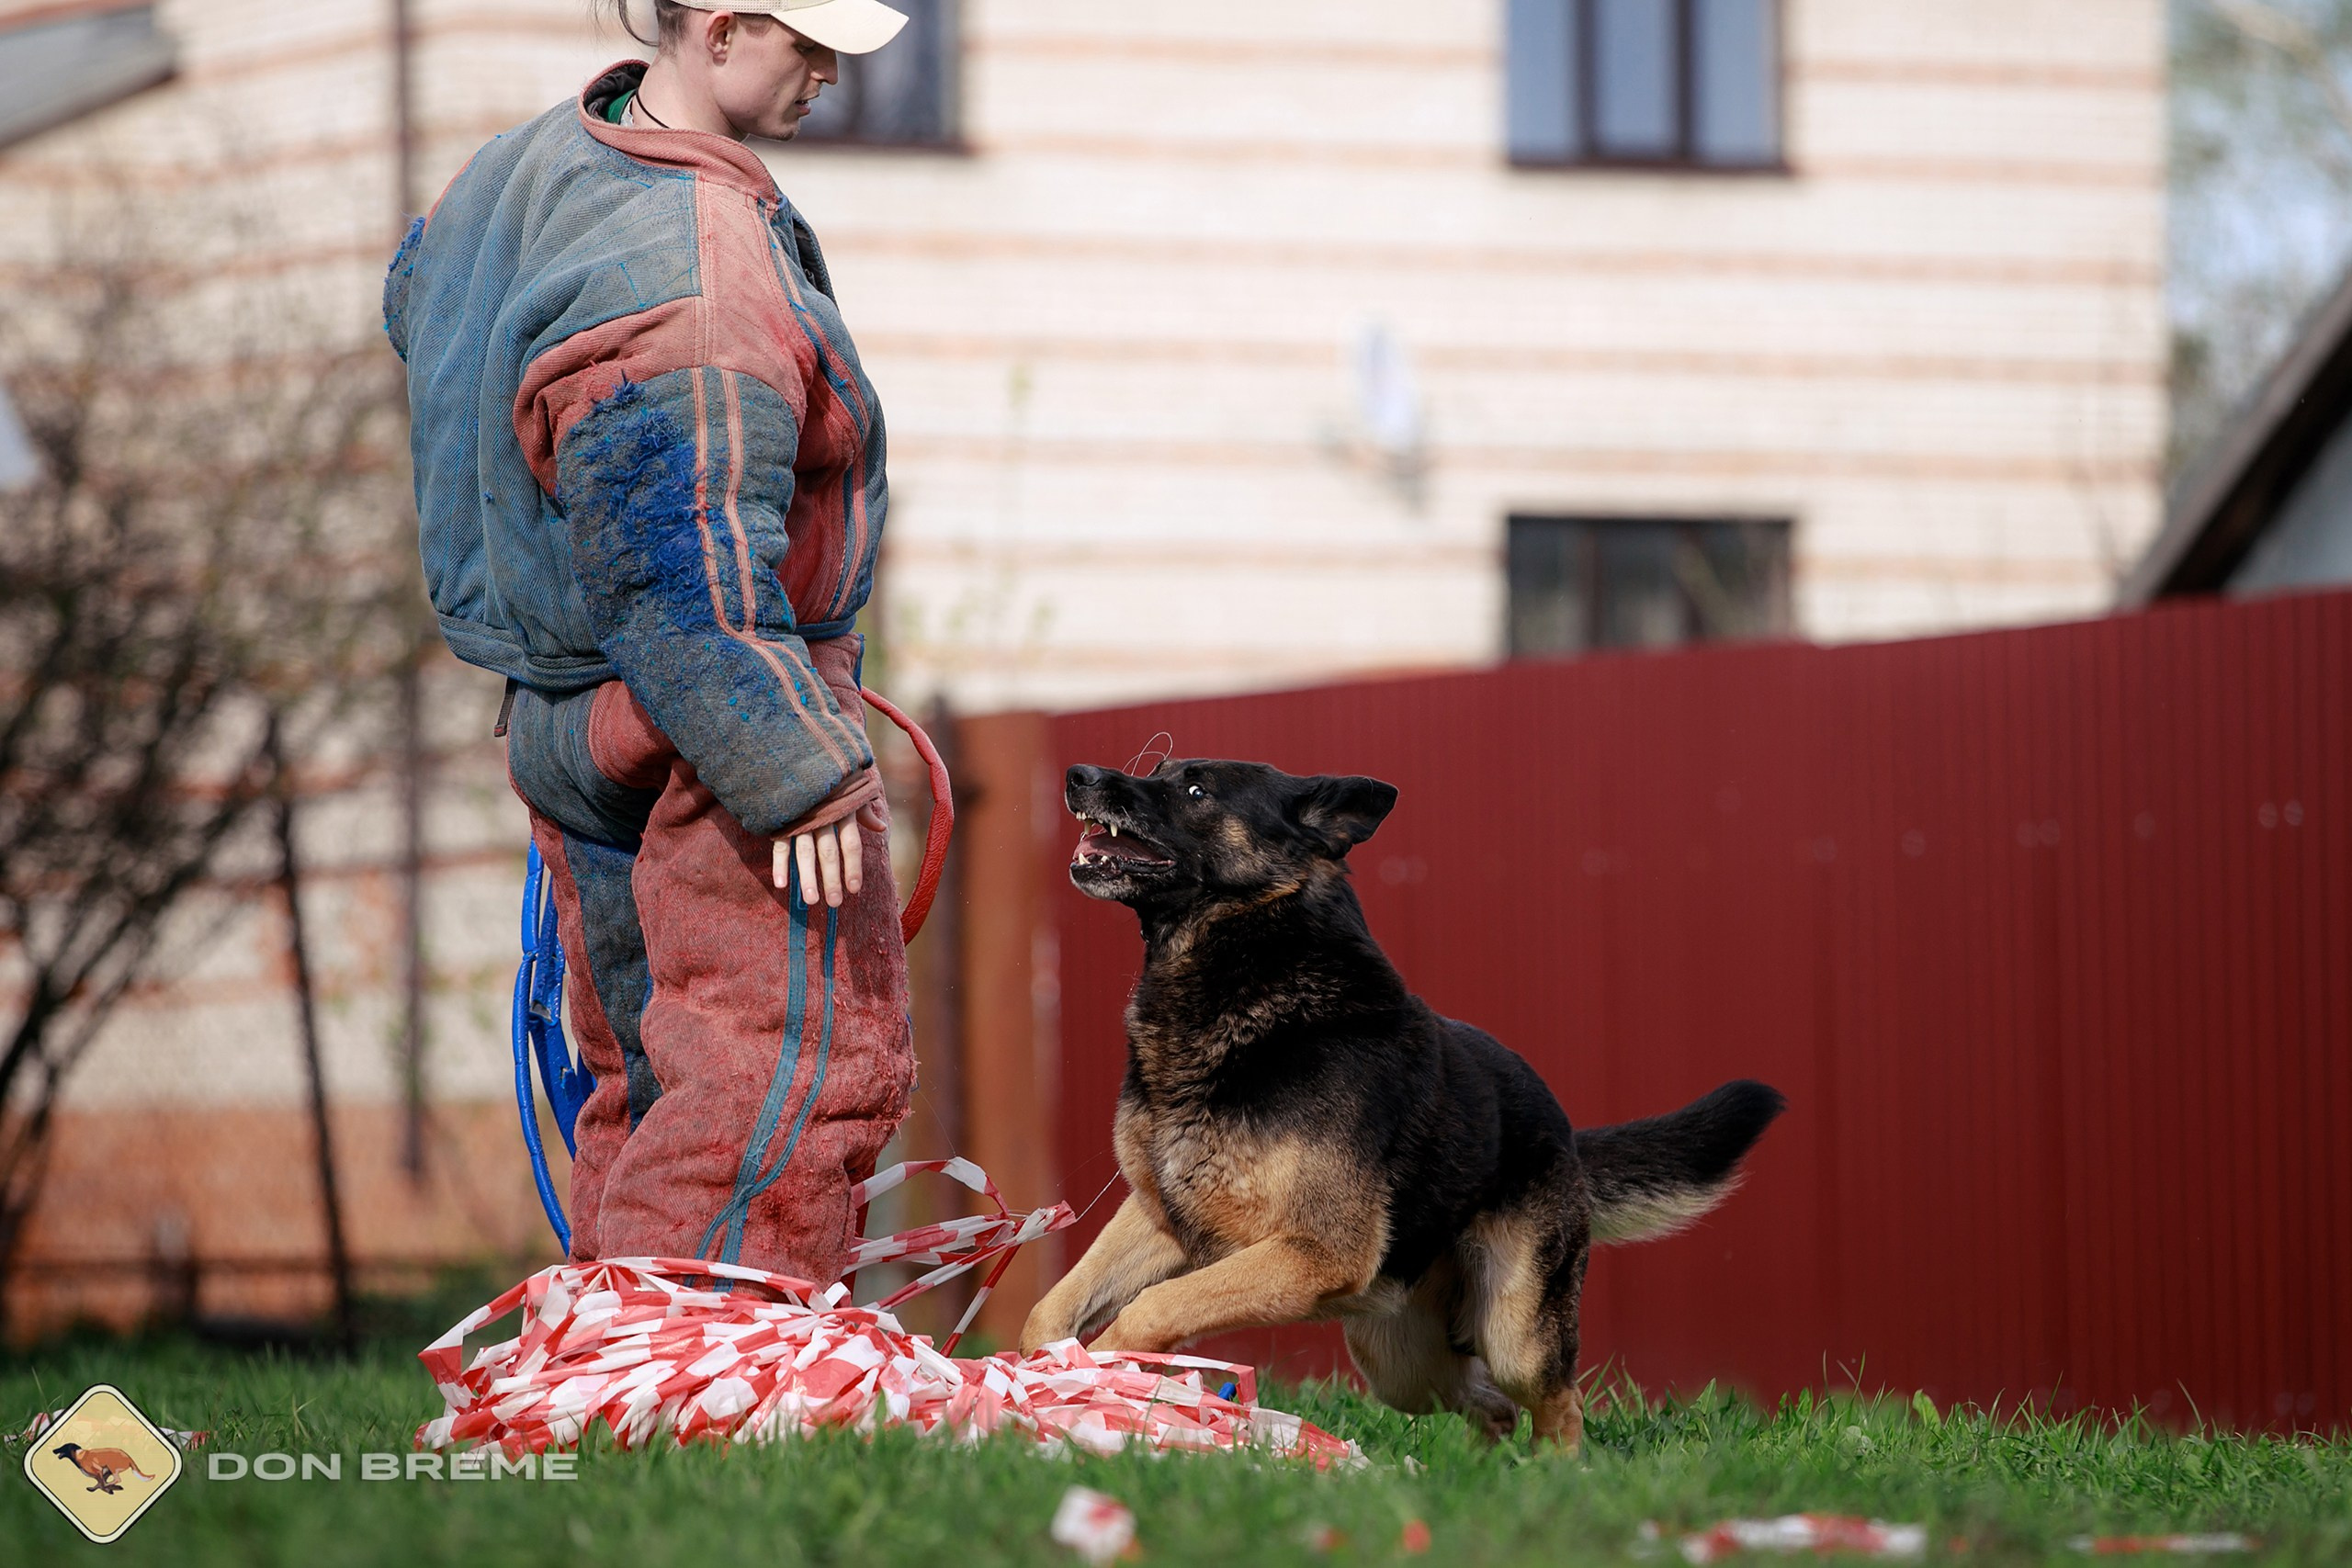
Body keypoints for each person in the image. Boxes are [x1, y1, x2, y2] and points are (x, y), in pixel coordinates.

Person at [383, 0, 917, 1281]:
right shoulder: (693, 269)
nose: (832, 75)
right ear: (723, 31)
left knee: (641, 1070)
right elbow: (680, 577)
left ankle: (607, 1364)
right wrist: (798, 767)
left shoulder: (519, 170)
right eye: (812, 44)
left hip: (567, 712)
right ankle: (712, 1376)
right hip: (711, 717)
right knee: (779, 1064)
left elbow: (421, 308)